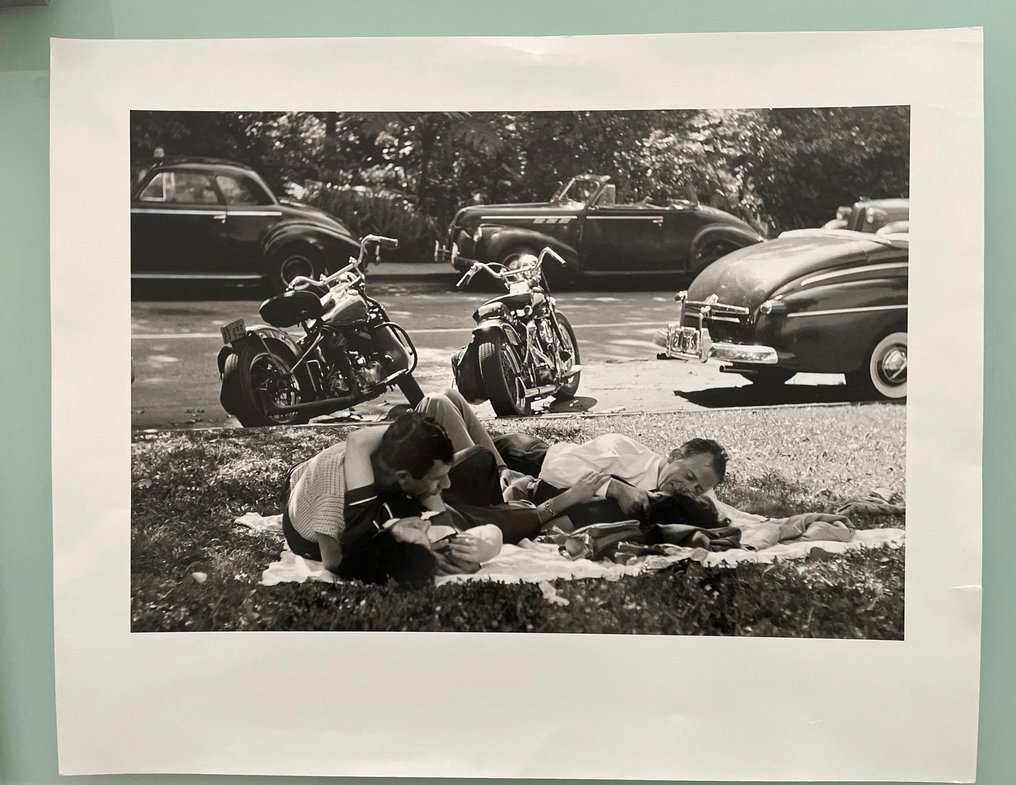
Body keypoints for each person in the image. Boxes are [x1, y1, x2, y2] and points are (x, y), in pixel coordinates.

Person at [280, 389, 602, 578]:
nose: (446, 484)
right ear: (403, 479)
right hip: (311, 519)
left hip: (372, 490)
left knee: (470, 462)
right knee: (461, 509)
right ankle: (543, 502)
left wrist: (447, 539)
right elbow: (334, 562)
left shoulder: (392, 453)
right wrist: (426, 562)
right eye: (437, 479)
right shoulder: (336, 495)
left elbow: (363, 440)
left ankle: (531, 495)